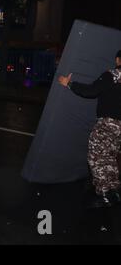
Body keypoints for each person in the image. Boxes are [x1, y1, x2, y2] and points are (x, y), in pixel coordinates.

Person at [58, 50, 121, 208]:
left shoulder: (112, 75)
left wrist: (69, 83)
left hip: (109, 124)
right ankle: (114, 190)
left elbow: (91, 91)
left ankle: (105, 195)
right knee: (110, 156)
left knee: (97, 158)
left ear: (118, 60)